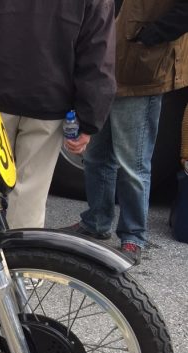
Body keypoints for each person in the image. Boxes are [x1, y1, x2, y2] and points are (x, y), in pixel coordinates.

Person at [0, 0, 116, 249]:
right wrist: (88, 120)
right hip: (48, 103)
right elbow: (97, 56)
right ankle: (21, 262)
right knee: (29, 194)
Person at [67, 0, 188, 263]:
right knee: (96, 157)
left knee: (132, 164)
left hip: (141, 71)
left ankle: (133, 236)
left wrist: (153, 35)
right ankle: (96, 222)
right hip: (104, 69)